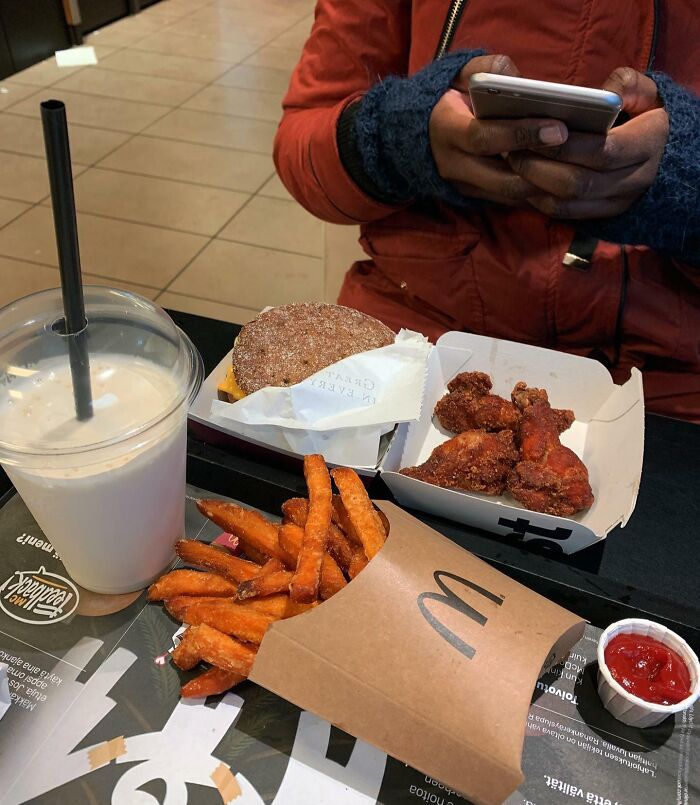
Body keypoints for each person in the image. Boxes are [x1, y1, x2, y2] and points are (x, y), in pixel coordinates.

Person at [273, 1, 700, 422]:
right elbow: (303, 147)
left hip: (666, 383)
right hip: (412, 335)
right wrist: (395, 137)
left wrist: (687, 176)